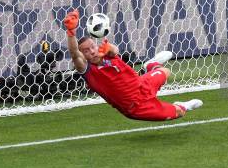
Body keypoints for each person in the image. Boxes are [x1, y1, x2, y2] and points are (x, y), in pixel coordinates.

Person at [63, 9, 203, 121]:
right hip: (137, 107)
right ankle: (183, 105)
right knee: (179, 113)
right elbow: (74, 53)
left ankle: (150, 65)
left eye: (92, 46)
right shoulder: (87, 70)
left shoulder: (105, 52)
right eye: (86, 51)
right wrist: (71, 32)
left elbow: (115, 50)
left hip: (142, 84)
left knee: (166, 72)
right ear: (83, 55)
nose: (92, 51)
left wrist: (110, 49)